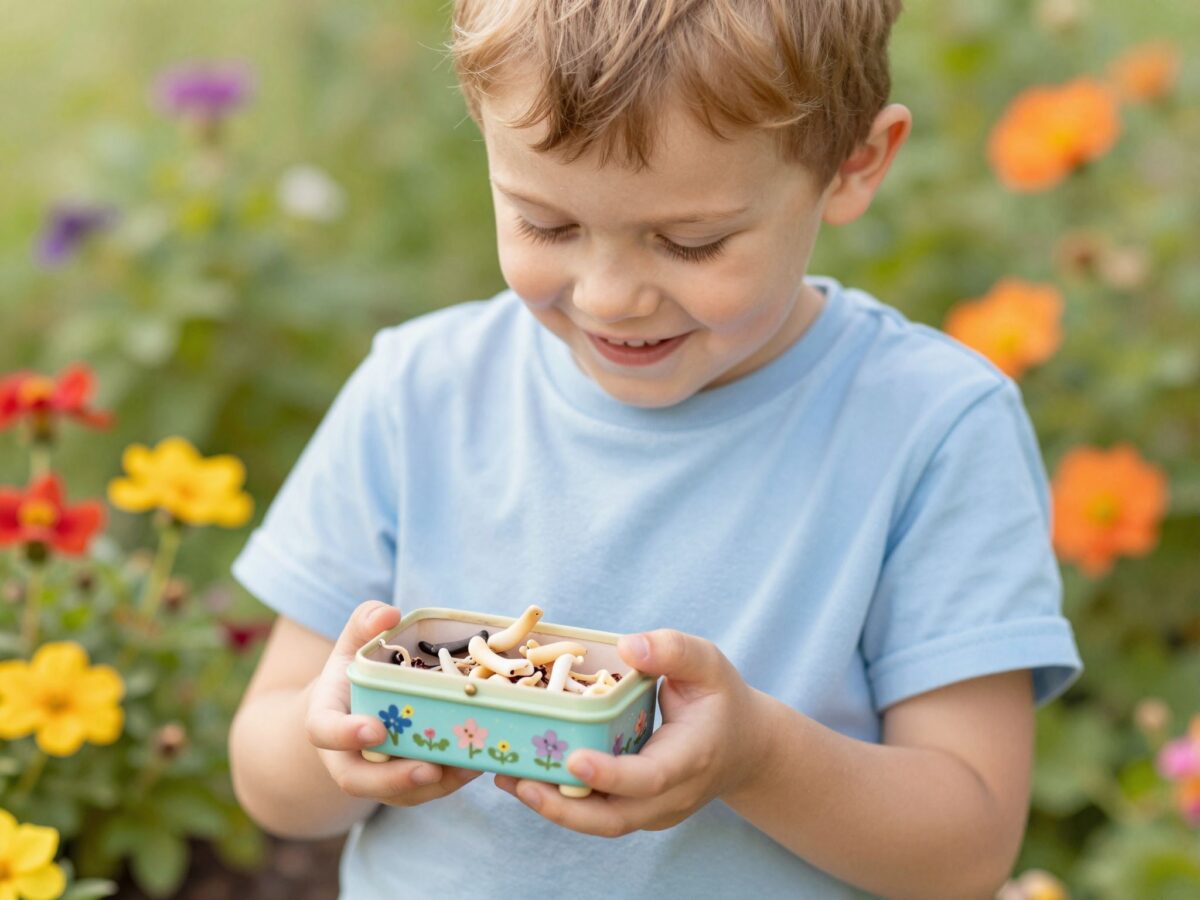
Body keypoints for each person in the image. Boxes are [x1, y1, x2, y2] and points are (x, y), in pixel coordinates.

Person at [228, 1, 1083, 897]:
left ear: (852, 165)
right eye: (546, 225)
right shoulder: (420, 394)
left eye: (690, 241)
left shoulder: (932, 427)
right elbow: (269, 777)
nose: (609, 298)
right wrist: (349, 735)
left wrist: (755, 757)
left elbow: (967, 849)